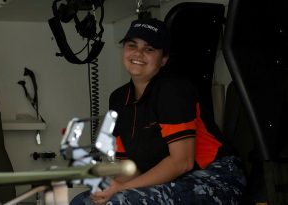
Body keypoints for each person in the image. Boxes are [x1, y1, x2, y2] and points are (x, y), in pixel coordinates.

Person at [70, 18, 246, 205]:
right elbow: (129, 169)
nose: (138, 53)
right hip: (172, 181)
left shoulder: (173, 90)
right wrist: (109, 186)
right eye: (132, 45)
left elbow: (182, 162)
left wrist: (120, 189)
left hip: (217, 177)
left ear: (164, 59)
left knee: (120, 201)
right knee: (83, 201)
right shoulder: (119, 99)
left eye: (149, 49)